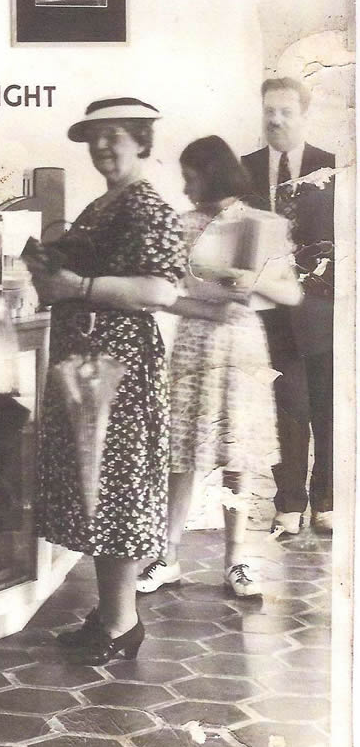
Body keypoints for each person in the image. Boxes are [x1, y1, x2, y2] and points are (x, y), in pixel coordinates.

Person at [26, 97, 185, 665]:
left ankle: (122, 624)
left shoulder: (146, 206)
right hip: (90, 361)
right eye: (93, 137)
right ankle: (110, 614)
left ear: (141, 139)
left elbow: (161, 290)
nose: (100, 146)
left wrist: (78, 286)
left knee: (114, 489)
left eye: (113, 135)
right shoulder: (103, 204)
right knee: (97, 488)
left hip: (117, 366)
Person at [137, 136, 301, 598]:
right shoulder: (180, 225)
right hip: (194, 347)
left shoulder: (261, 224)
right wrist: (208, 303)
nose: (186, 188)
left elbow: (291, 293)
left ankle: (236, 560)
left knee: (238, 456)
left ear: (213, 175)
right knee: (181, 456)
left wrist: (256, 280)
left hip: (242, 349)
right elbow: (162, 295)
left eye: (191, 178)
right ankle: (167, 557)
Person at [241, 78, 335, 535]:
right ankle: (290, 502)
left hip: (325, 311)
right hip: (269, 313)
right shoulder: (244, 170)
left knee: (328, 408)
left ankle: (327, 501)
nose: (275, 120)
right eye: (269, 111)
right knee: (287, 407)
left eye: (285, 111)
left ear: (304, 115)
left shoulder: (333, 167)